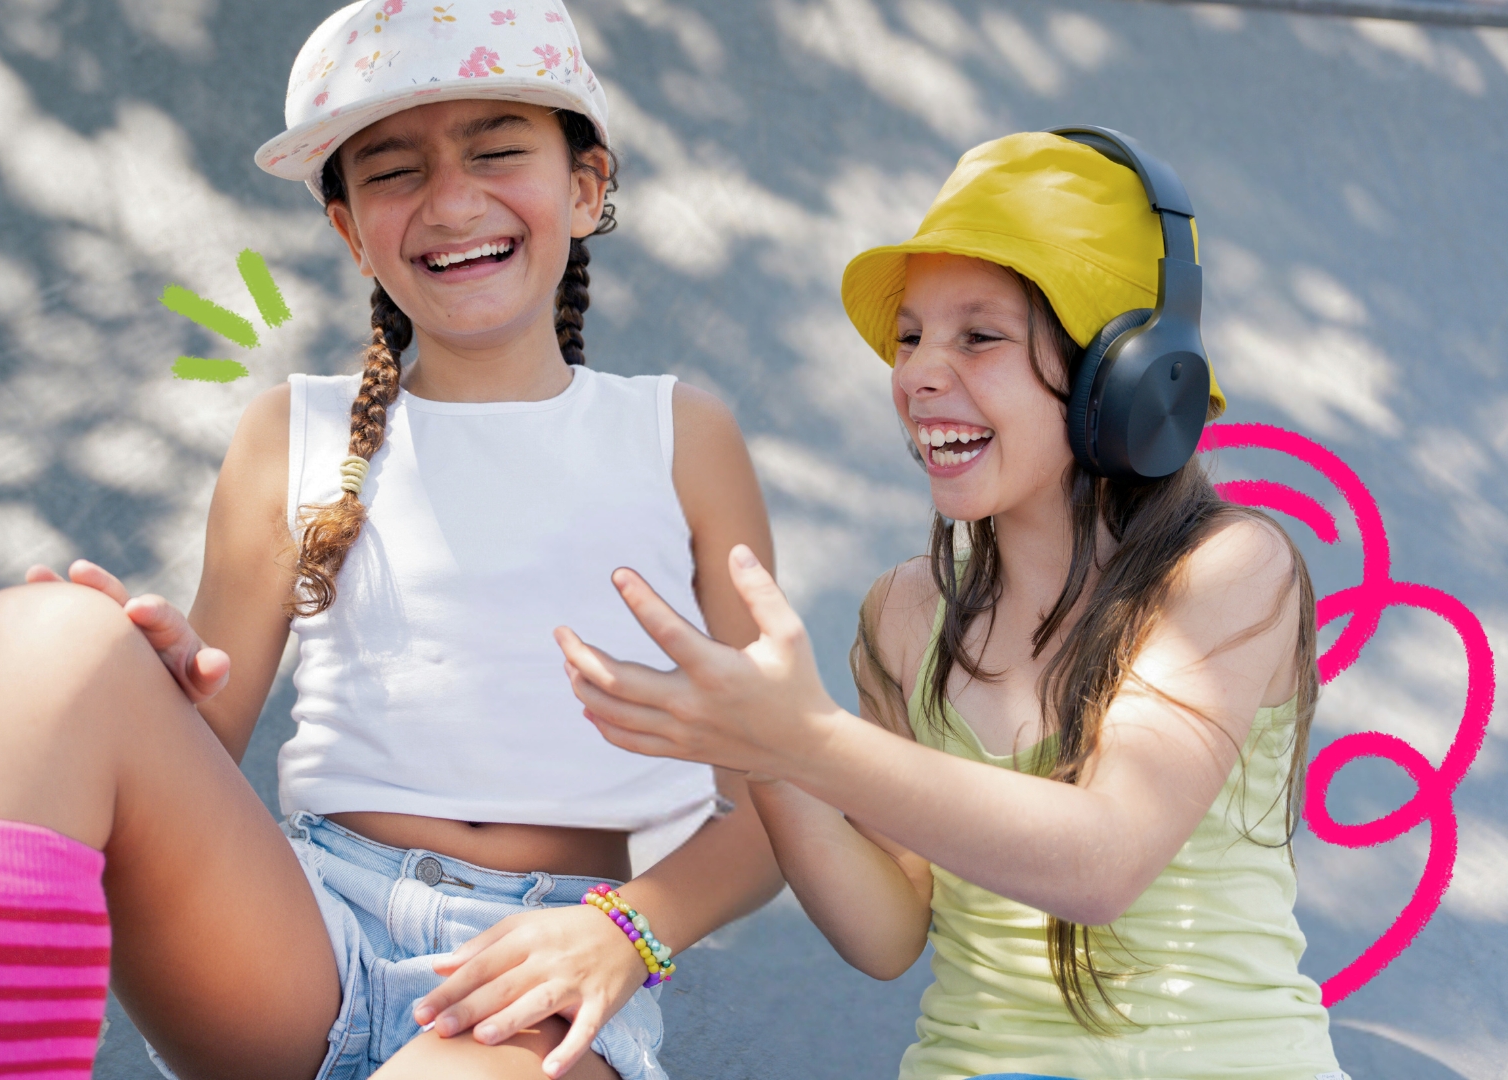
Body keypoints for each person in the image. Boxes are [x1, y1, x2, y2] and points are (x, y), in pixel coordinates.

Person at [0, 4, 781, 1080]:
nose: (451, 201)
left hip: (538, 975)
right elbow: (204, 740)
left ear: (587, 187)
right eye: (394, 172)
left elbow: (785, 790)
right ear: (352, 231)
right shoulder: (291, 434)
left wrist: (627, 932)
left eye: (497, 151)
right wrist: (146, 683)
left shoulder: (681, 437)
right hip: (297, 937)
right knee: (33, 640)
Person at [556, 131, 1348, 1080]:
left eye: (979, 336)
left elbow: (1101, 861)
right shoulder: (903, 613)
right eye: (910, 337)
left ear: (1128, 373)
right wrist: (770, 759)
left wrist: (809, 739)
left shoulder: (1228, 568)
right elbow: (888, 933)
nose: (918, 373)